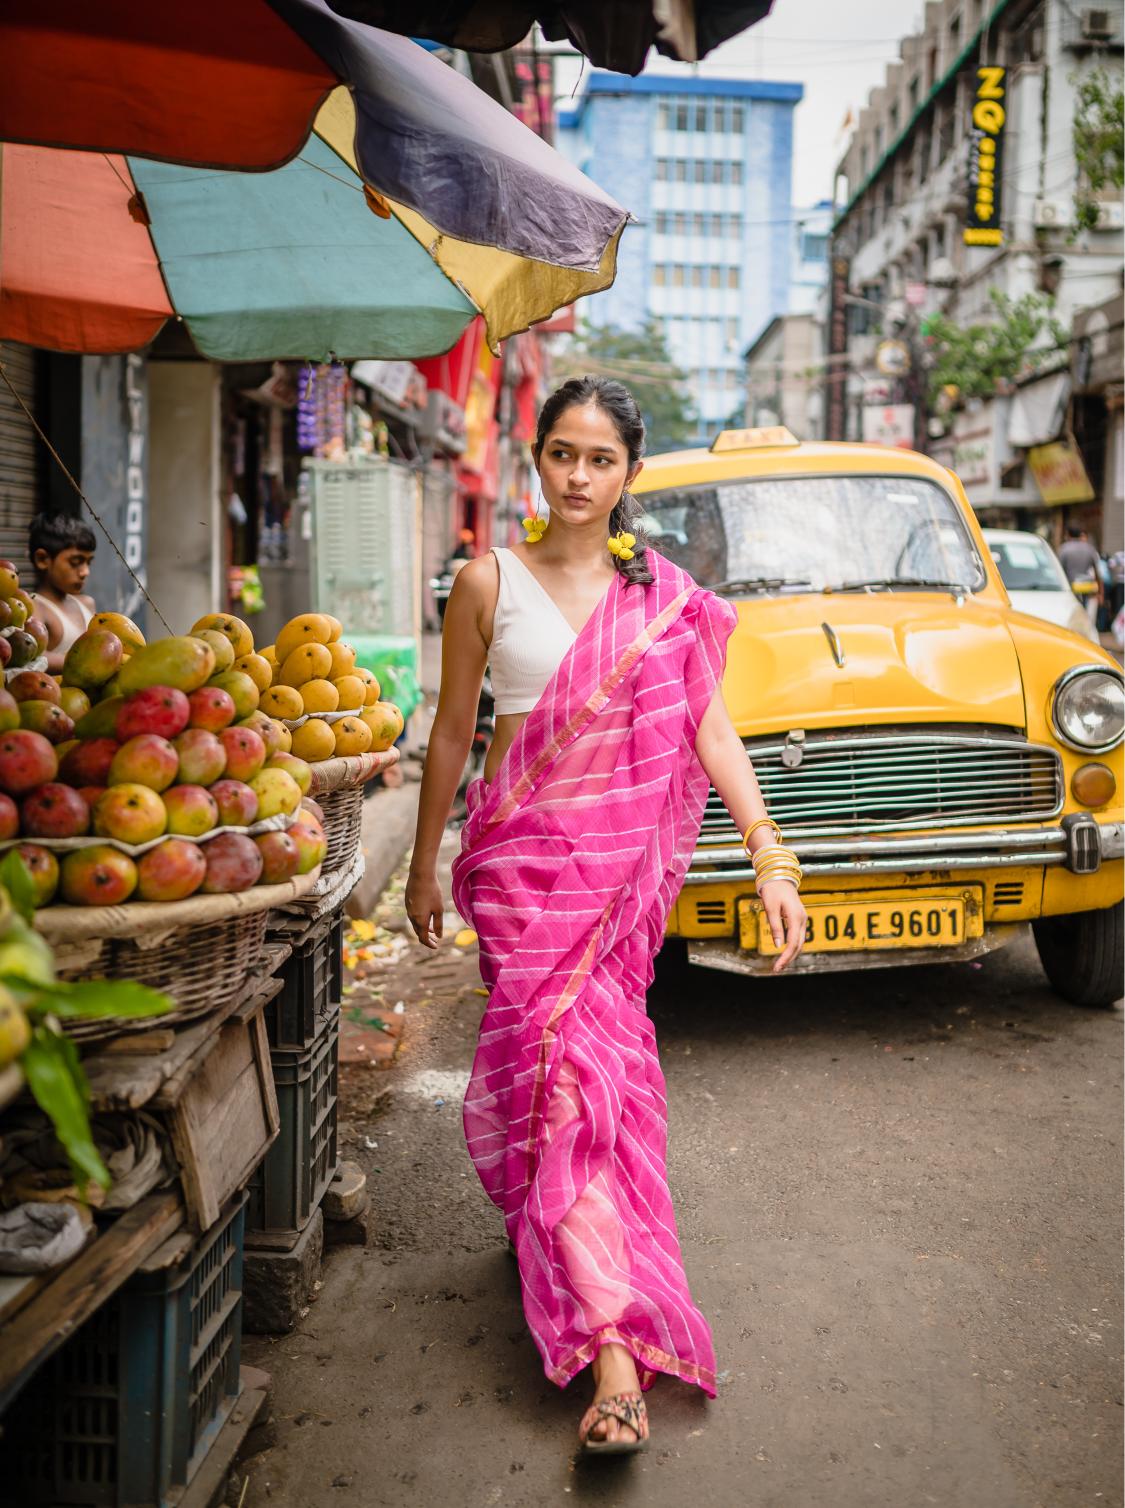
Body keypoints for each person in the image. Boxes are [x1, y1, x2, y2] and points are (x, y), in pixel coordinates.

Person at [405, 377, 806, 1457]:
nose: (578, 477)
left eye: (601, 459)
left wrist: (771, 852)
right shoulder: (486, 579)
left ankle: (614, 1354)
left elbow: (711, 731)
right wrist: (422, 864)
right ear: (535, 458)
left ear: (632, 472)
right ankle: (576, 1269)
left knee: (587, 1088)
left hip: (615, 883)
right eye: (561, 455)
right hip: (518, 872)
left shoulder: (661, 596)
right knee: (554, 1085)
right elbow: (451, 734)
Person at [29, 514, 97, 673]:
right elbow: (33, 658)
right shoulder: (36, 607)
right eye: (76, 561)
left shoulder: (87, 603)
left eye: (89, 562)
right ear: (43, 559)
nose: (85, 571)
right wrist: (92, 663)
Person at [1057, 523, 1103, 623]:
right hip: (1086, 588)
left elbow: (1059, 571)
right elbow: (1097, 572)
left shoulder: (1064, 549)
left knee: (1070, 615)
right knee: (1085, 614)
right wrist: (1100, 593)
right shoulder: (1090, 549)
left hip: (1069, 588)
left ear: (1068, 534)